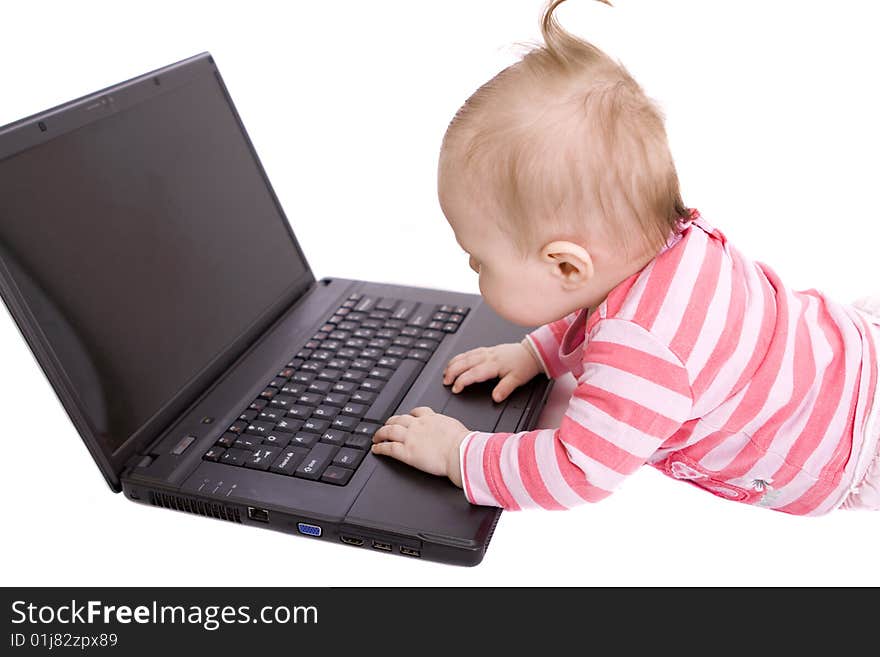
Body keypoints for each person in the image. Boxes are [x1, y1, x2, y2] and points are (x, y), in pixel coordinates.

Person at [370, 0, 880, 514]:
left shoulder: (642, 353)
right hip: (854, 351)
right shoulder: (671, 241)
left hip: (851, 448)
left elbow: (575, 470)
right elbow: (594, 301)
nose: (472, 268)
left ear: (567, 266)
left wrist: (459, 454)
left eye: (479, 259)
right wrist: (539, 353)